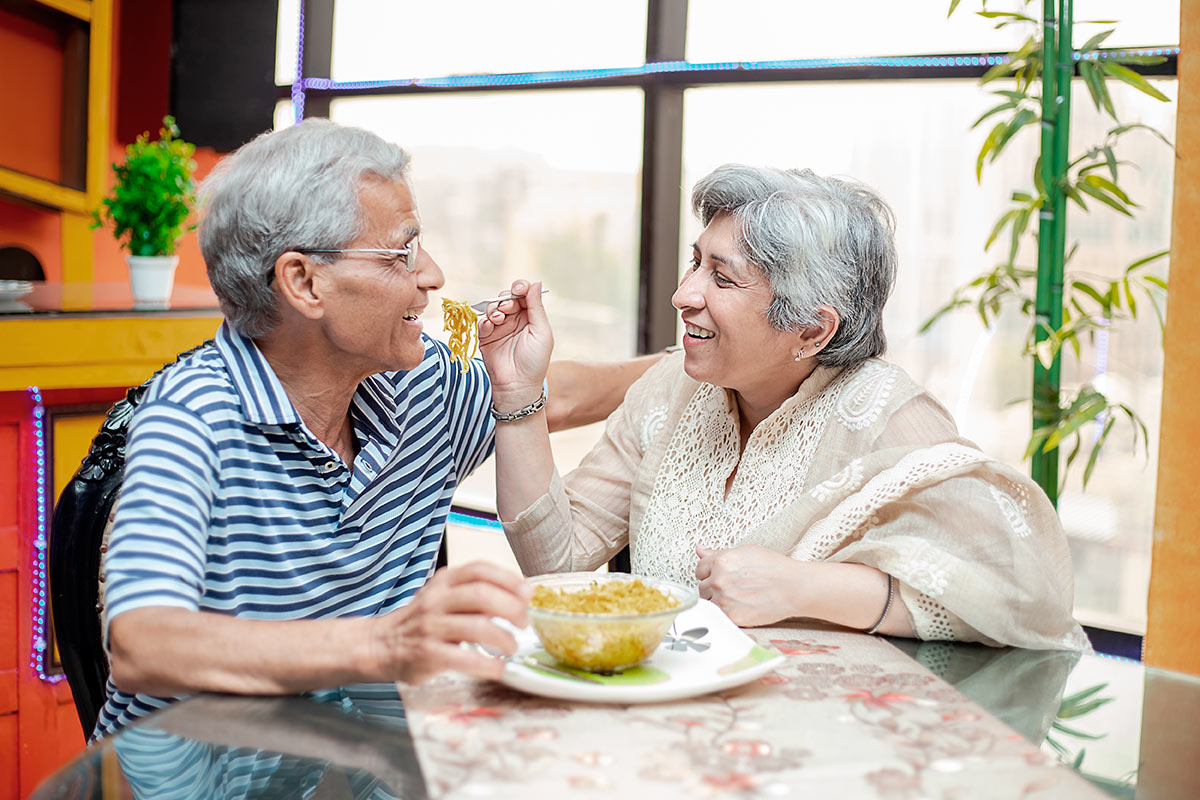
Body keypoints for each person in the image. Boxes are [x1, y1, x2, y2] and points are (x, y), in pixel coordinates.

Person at [96, 119, 652, 739]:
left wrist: (694, 362)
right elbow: (144, 645)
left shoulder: (415, 390)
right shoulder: (192, 416)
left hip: (361, 766)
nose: (433, 275)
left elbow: (550, 393)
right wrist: (385, 643)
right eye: (402, 252)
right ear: (305, 282)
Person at [484, 164, 1089, 651]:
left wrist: (810, 588)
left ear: (811, 329)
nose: (682, 294)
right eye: (697, 261)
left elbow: (1024, 595)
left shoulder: (883, 413)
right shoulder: (670, 389)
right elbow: (554, 561)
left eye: (722, 278)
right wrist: (517, 395)